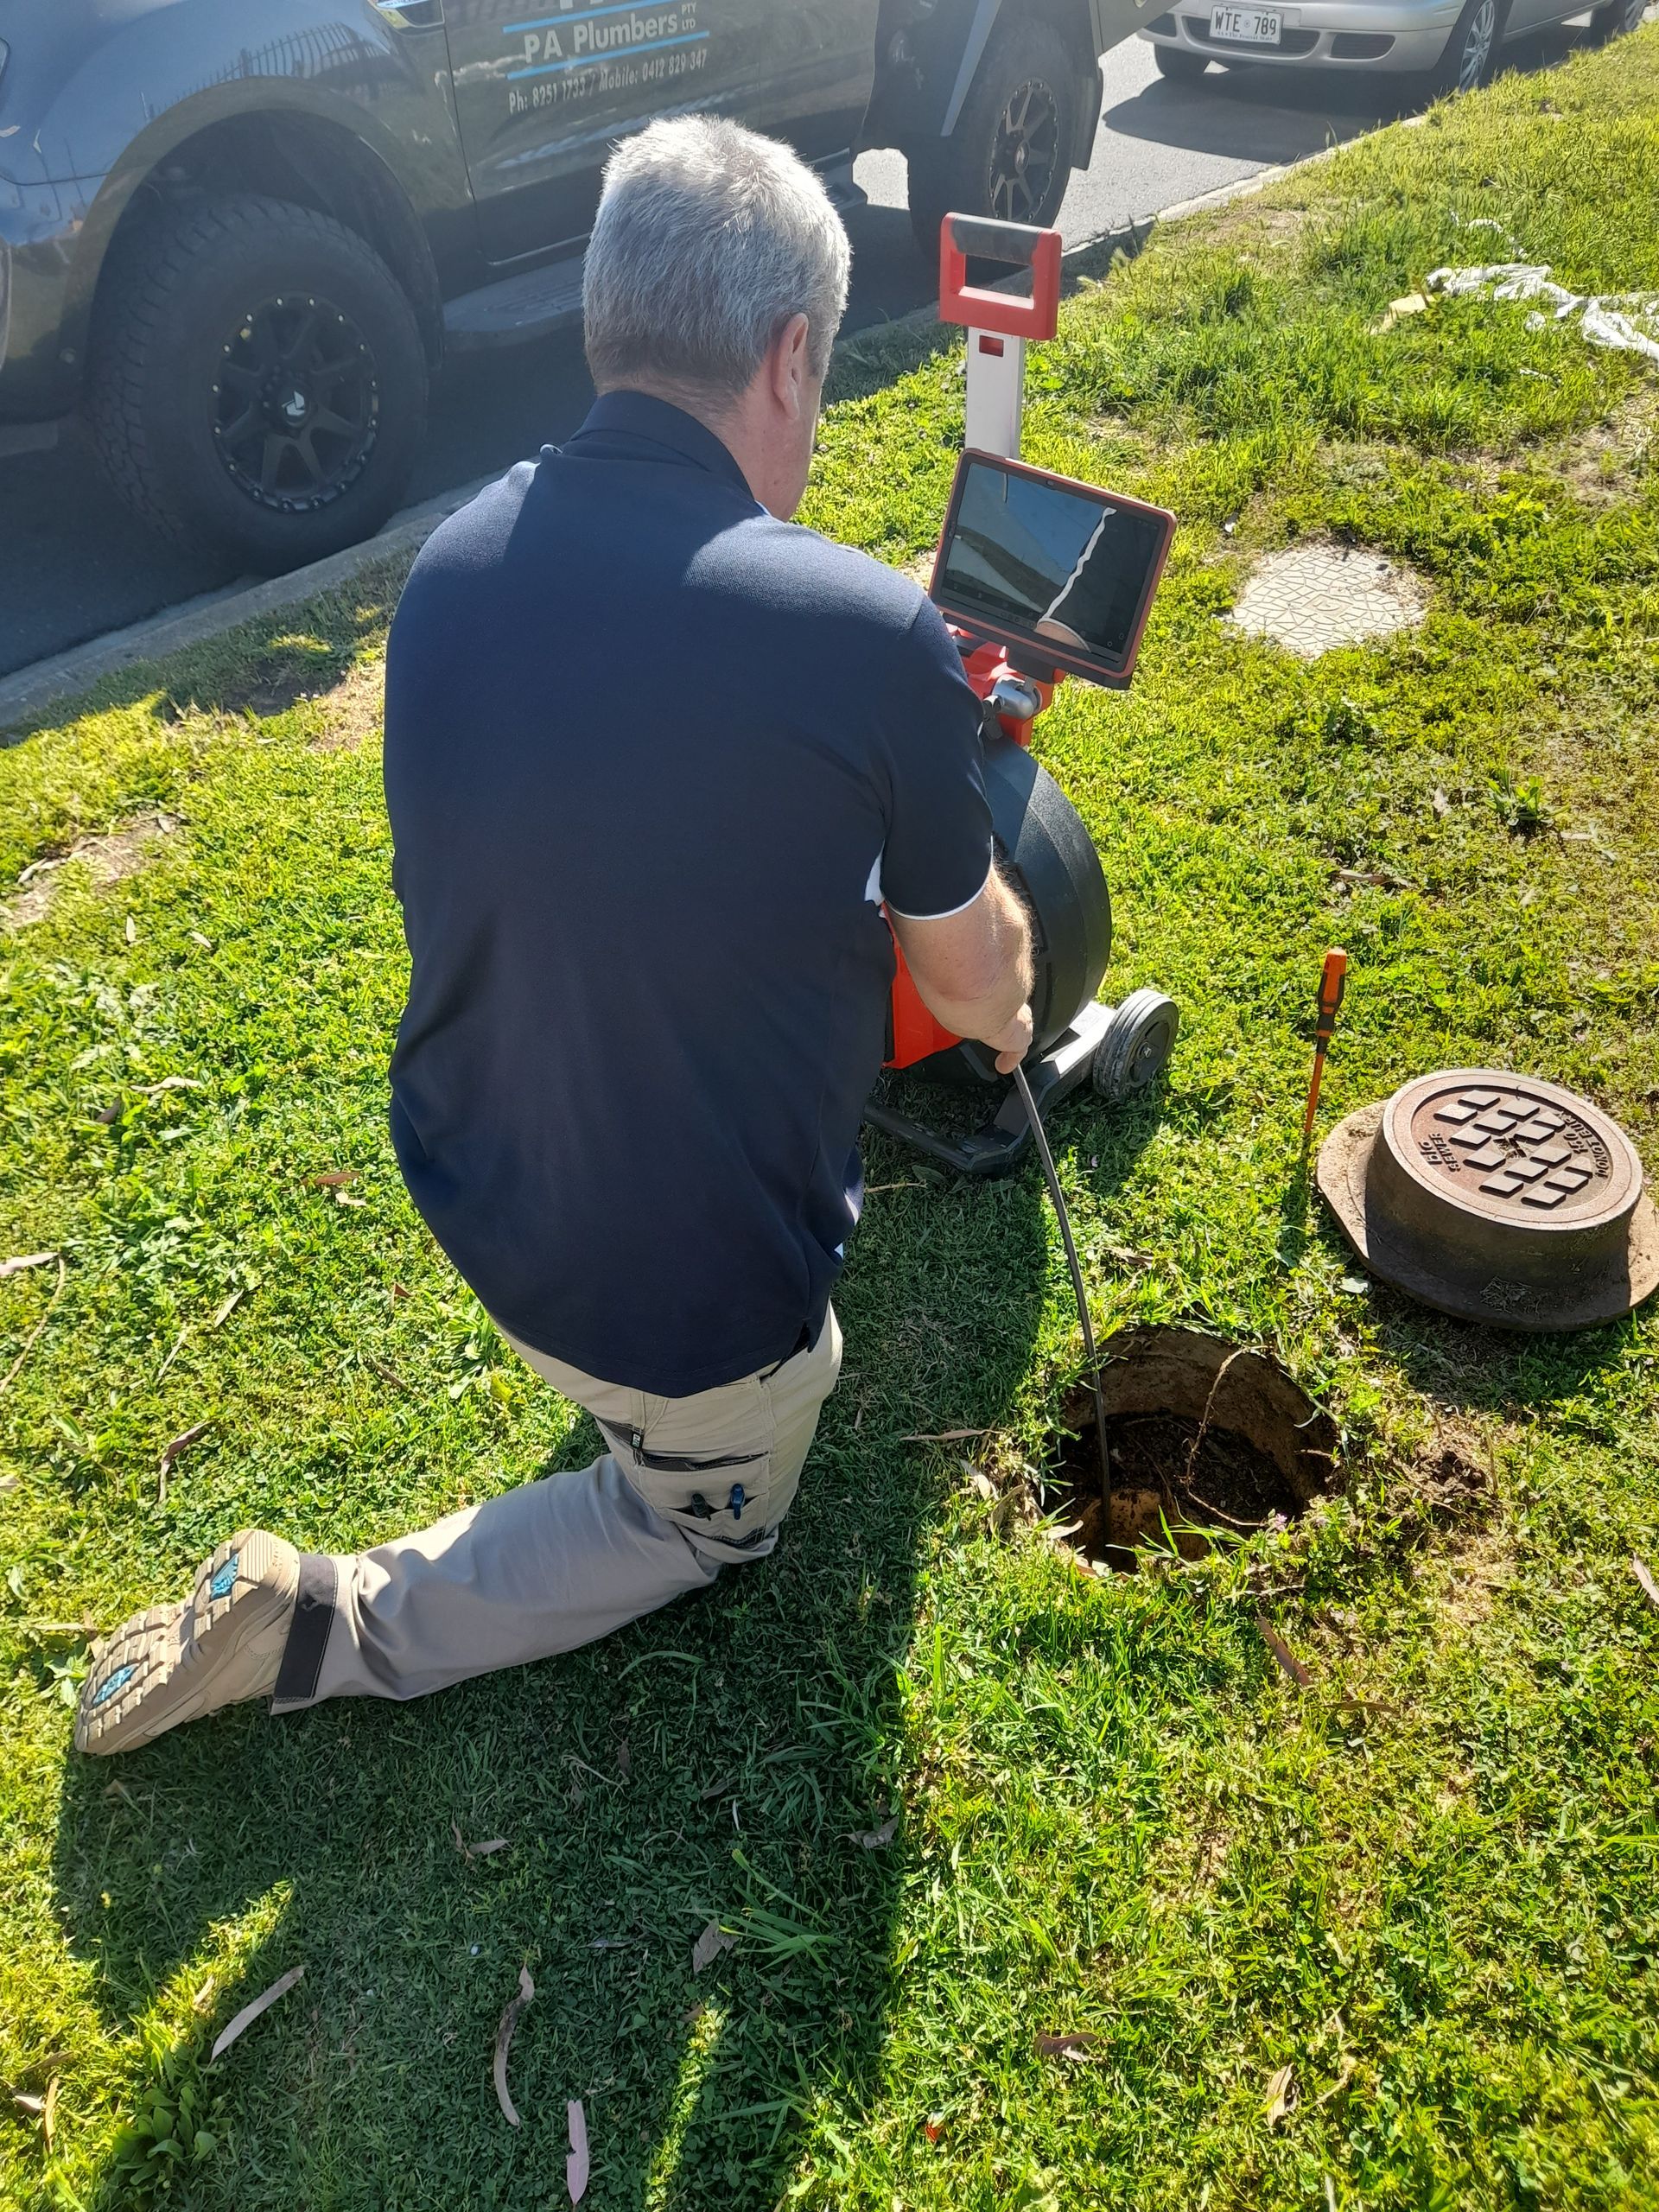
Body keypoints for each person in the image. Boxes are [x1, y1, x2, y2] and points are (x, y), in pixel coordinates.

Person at [77, 117, 1033, 1757]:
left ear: (609, 320)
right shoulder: (869, 637)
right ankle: (326, 1622)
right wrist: (947, 797)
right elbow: (979, 996)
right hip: (674, 1315)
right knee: (703, 1525)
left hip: (476, 1185)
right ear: (796, 356)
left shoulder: (448, 566)